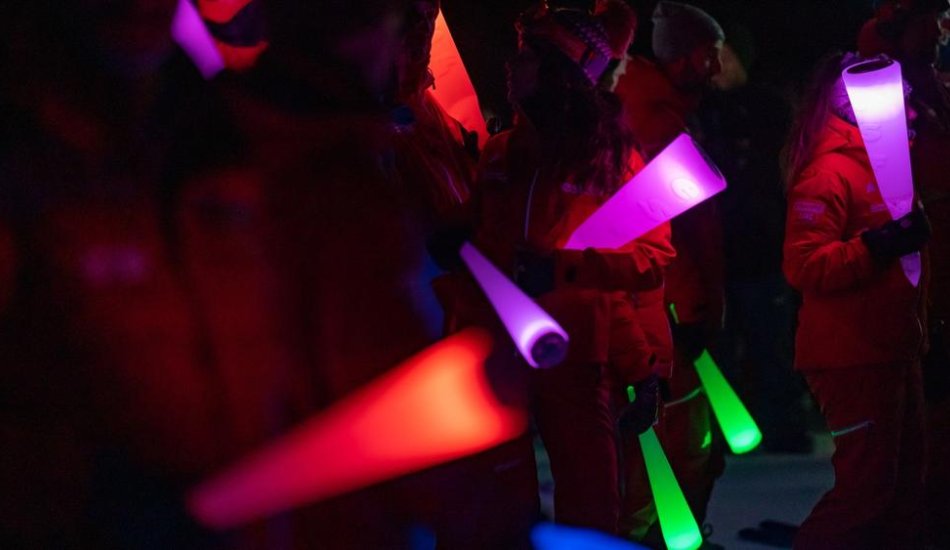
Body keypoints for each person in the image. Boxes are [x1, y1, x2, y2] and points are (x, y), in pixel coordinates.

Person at [470, 0, 666, 535]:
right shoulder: (502, 152)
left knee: (594, 513)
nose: (512, 66)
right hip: (494, 366)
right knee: (498, 514)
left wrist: (640, 367)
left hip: (578, 364)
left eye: (527, 55)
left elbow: (649, 262)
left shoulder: (611, 159)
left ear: (563, 71)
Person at [782, 52, 930, 550]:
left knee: (905, 487)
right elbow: (804, 265)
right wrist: (880, 244)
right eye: (900, 103)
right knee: (867, 491)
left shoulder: (886, 170)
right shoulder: (829, 173)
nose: (909, 113)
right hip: (851, 356)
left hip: (890, 349)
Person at [612, 2, 726, 544]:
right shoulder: (656, 122)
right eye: (709, 55)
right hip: (669, 314)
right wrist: (694, 310)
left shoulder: (648, 108)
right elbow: (669, 231)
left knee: (659, 447)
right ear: (682, 57)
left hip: (661, 309)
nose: (717, 68)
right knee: (683, 443)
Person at [857, 4, 950, 545]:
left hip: (935, 290)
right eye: (931, 18)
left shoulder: (933, 91)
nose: (940, 30)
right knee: (917, 451)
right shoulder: (882, 96)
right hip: (916, 296)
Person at [695, 24, 811, 454]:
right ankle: (727, 430)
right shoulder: (701, 110)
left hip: (763, 250)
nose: (719, 65)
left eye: (727, 55)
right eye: (713, 56)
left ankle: (783, 425)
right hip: (720, 255)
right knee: (723, 346)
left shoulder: (769, 108)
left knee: (772, 345)